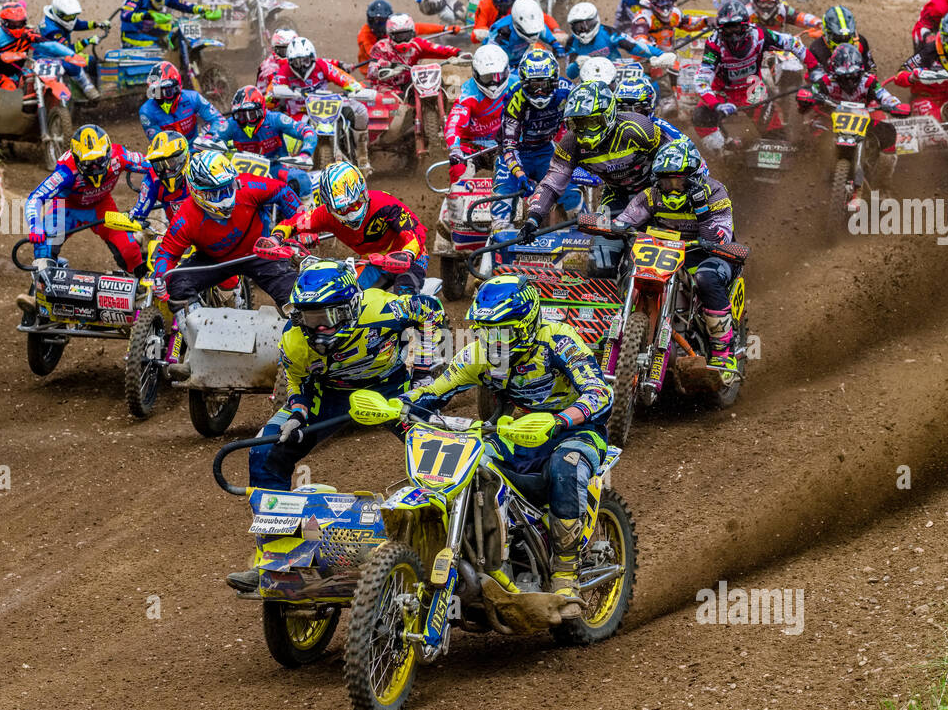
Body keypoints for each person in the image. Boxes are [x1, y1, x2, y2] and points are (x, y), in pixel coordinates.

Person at [405, 275, 613, 610]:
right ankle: (479, 550)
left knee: (566, 466)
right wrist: (398, 404)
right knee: (469, 460)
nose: (492, 340)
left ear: (526, 325)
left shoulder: (558, 341)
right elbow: (435, 390)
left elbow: (600, 393)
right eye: (485, 331)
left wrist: (561, 419)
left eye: (501, 331)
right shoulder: (480, 354)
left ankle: (565, 573)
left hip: (576, 430)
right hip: (518, 432)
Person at [235, 261, 449, 516]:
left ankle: (450, 521)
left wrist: (422, 375)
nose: (318, 328)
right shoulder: (293, 338)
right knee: (265, 449)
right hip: (328, 396)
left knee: (441, 448)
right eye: (309, 317)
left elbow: (430, 310)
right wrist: (298, 412)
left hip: (392, 390)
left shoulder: (383, 308)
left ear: (351, 307)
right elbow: (295, 378)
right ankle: (276, 528)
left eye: (327, 317)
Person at [613, 139, 741, 380]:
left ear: (693, 178)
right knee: (630, 269)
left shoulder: (715, 192)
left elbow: (720, 238)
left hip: (710, 254)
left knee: (706, 278)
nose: (672, 189)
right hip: (666, 253)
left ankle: (723, 352)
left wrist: (701, 208)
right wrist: (610, 226)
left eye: (678, 182)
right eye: (666, 182)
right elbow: (626, 219)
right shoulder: (652, 195)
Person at [519, 81, 667, 272]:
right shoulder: (570, 143)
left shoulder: (638, 128)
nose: (585, 130)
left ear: (608, 115)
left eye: (592, 122)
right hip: (617, 197)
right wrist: (533, 219)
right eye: (579, 123)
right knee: (600, 263)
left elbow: (676, 158)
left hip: (657, 196)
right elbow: (552, 183)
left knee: (647, 267)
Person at [151, 150, 300, 307]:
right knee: (176, 287)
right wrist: (160, 278)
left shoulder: (248, 186)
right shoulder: (185, 217)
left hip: (259, 252)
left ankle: (299, 321)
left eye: (228, 189)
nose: (225, 199)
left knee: (296, 297)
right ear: (197, 192)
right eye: (215, 194)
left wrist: (298, 226)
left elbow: (283, 191)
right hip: (214, 260)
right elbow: (167, 253)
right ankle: (193, 320)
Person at [274, 161, 430, 292]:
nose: (349, 213)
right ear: (329, 206)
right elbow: (291, 223)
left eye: (354, 204)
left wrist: (407, 253)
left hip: (409, 259)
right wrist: (276, 238)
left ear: (363, 194)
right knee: (349, 297)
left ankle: (430, 318)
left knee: (405, 299)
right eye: (341, 209)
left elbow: (415, 231)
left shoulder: (384, 203)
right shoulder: (324, 215)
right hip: (372, 262)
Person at [22, 125, 151, 282]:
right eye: (88, 163)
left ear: (108, 152)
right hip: (66, 207)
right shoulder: (66, 170)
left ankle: (142, 284)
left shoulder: (120, 156)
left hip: (102, 206)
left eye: (99, 160)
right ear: (76, 159)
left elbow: (153, 164)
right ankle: (41, 287)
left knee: (130, 251)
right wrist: (35, 225)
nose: (95, 167)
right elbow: (35, 198)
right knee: (43, 251)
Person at [691, 0, 805, 155]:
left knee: (776, 135)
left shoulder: (763, 30)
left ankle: (779, 141)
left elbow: (792, 36)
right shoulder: (715, 44)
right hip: (724, 90)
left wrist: (810, 62)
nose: (734, 34)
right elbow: (703, 75)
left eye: (737, 27)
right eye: (729, 28)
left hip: (754, 82)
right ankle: (724, 152)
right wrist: (715, 104)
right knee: (701, 115)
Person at [797, 43, 910, 183]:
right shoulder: (827, 81)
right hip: (832, 120)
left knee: (888, 131)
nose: (849, 81)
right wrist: (807, 96)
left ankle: (882, 181)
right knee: (811, 133)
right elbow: (811, 91)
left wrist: (895, 105)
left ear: (861, 70)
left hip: (862, 119)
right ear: (834, 73)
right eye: (843, 77)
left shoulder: (868, 82)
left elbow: (884, 95)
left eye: (853, 76)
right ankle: (808, 174)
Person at [493, 48, 578, 227]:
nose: (539, 92)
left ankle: (587, 237)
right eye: (534, 85)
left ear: (553, 81)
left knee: (573, 198)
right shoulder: (515, 97)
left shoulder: (567, 91)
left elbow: (580, 126)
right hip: (515, 154)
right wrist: (520, 175)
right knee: (501, 208)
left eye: (544, 85)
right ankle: (498, 238)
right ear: (524, 83)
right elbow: (509, 145)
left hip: (545, 151)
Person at [268, 36, 372, 168]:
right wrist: (274, 96)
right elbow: (270, 93)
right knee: (289, 141)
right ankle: (291, 167)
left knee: (360, 111)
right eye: (297, 62)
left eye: (305, 61)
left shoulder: (322, 65)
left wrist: (356, 88)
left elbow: (342, 77)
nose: (302, 66)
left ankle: (362, 154)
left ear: (312, 58)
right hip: (300, 113)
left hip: (327, 106)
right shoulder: (284, 71)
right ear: (289, 61)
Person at [216, 84, 316, 198]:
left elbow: (307, 131)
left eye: (251, 114)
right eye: (241, 116)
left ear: (261, 110)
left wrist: (305, 154)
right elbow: (213, 140)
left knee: (301, 179)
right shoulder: (231, 124)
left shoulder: (275, 119)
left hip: (275, 168)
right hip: (241, 172)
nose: (247, 121)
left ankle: (305, 208)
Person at [445, 43, 513, 187]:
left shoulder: (518, 85)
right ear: (476, 74)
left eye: (498, 76)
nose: (494, 83)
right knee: (458, 168)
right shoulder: (467, 94)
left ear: (507, 71)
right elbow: (454, 124)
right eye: (487, 78)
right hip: (473, 147)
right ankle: (457, 198)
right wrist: (455, 148)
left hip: (507, 145)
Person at [0, 3, 82, 94]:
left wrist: (70, 54)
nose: (17, 28)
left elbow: (50, 45)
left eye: (20, 24)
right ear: (4, 22)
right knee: (10, 89)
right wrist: (3, 56)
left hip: (17, 72)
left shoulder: (28, 33)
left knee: (38, 80)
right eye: (13, 24)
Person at [562, 1, 673, 80]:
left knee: (647, 83)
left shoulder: (608, 33)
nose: (583, 30)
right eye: (578, 27)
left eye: (586, 25)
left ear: (595, 20)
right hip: (590, 82)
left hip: (617, 75)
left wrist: (660, 54)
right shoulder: (571, 43)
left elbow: (634, 46)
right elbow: (570, 74)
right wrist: (577, 64)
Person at [38, 0, 109, 102]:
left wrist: (96, 25)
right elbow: (66, 50)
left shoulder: (60, 18)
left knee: (92, 62)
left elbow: (77, 24)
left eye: (73, 16)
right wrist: (87, 41)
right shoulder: (51, 30)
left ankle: (103, 88)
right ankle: (87, 87)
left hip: (61, 54)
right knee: (74, 64)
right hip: (48, 57)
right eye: (69, 16)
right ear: (59, 13)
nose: (71, 19)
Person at [367, 12, 461, 92]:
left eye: (406, 35)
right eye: (399, 36)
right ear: (391, 35)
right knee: (392, 100)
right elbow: (371, 71)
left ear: (412, 33)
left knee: (436, 85)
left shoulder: (417, 44)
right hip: (387, 87)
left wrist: (459, 53)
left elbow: (441, 49)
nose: (403, 40)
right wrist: (387, 67)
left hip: (411, 83)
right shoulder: (381, 47)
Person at [138, 61, 226, 142]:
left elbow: (219, 120)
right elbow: (158, 142)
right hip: (171, 152)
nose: (162, 98)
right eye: (157, 93)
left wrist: (209, 136)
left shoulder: (193, 98)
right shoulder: (147, 112)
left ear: (177, 88)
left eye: (167, 92)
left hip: (198, 149)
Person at [359, 0, 458, 62]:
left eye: (383, 21)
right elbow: (372, 53)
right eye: (378, 21)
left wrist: (445, 29)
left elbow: (420, 27)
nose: (381, 25)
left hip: (400, 66)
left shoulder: (394, 28)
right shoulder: (365, 35)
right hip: (372, 69)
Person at [471, 0, 561, 44]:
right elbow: (476, 34)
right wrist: (484, 34)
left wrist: (556, 29)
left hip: (522, 40)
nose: (501, 0)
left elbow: (542, 17)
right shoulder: (485, 5)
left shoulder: (522, 4)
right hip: (496, 42)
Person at [628, 0, 710, 53]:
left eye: (669, 0)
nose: (665, 5)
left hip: (668, 58)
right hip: (646, 58)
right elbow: (639, 41)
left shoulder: (675, 14)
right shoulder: (644, 17)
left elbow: (691, 24)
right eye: (661, 1)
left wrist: (706, 21)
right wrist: (656, 49)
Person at [613, 70, 690, 145]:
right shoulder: (610, 127)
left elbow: (686, 144)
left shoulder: (660, 126)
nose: (631, 115)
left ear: (648, 107)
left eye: (637, 108)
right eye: (625, 109)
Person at [130, 130, 191, 223]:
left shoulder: (199, 170)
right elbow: (137, 215)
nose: (166, 170)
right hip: (177, 230)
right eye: (159, 165)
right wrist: (131, 220)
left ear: (181, 158)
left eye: (170, 162)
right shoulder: (153, 180)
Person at [803, 5, 877, 82]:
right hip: (828, 86)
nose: (843, 41)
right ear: (827, 33)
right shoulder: (817, 48)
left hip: (858, 85)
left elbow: (871, 69)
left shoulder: (860, 42)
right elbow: (812, 78)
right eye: (838, 38)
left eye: (847, 37)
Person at [486, 0, 565, 67]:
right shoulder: (501, 33)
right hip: (502, 64)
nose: (533, 35)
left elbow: (544, 31)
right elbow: (489, 56)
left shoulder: (535, 22)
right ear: (517, 24)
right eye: (529, 33)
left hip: (520, 61)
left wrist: (556, 44)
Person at [258, 27, 298, 91]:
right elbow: (262, 93)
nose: (289, 55)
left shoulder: (302, 63)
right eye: (284, 51)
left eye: (292, 50)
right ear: (275, 50)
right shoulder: (267, 68)